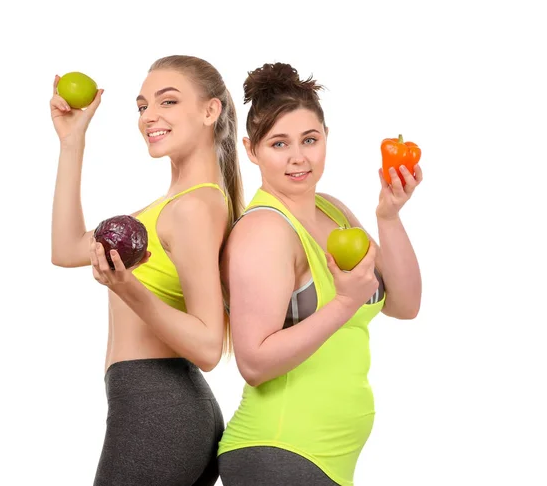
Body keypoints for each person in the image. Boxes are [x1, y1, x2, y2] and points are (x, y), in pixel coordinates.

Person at [217, 62, 423, 486]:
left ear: (326, 138)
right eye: (279, 144)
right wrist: (345, 303)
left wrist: (388, 215)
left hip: (323, 461)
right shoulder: (264, 232)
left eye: (310, 140)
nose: (298, 157)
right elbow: (253, 362)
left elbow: (405, 304)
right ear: (251, 150)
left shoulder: (332, 209)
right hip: (280, 451)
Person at [50, 55, 243, 486]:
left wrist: (128, 288)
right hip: (163, 407)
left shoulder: (193, 209)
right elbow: (64, 249)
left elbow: (209, 346)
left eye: (168, 102)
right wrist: (72, 141)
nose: (149, 117)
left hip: (158, 408)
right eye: (142, 107)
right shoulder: (170, 208)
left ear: (210, 111)